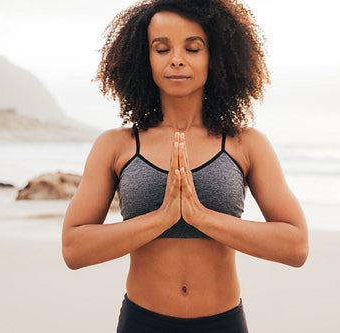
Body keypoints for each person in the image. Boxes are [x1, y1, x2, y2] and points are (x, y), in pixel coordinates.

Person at [62, 0, 308, 331]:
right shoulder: (115, 145)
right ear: (144, 58)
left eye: (192, 48)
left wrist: (201, 217)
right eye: (162, 49)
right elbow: (74, 249)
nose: (177, 59)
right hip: (142, 321)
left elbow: (296, 246)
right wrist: (161, 218)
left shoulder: (246, 144)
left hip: (223, 323)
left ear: (215, 57)